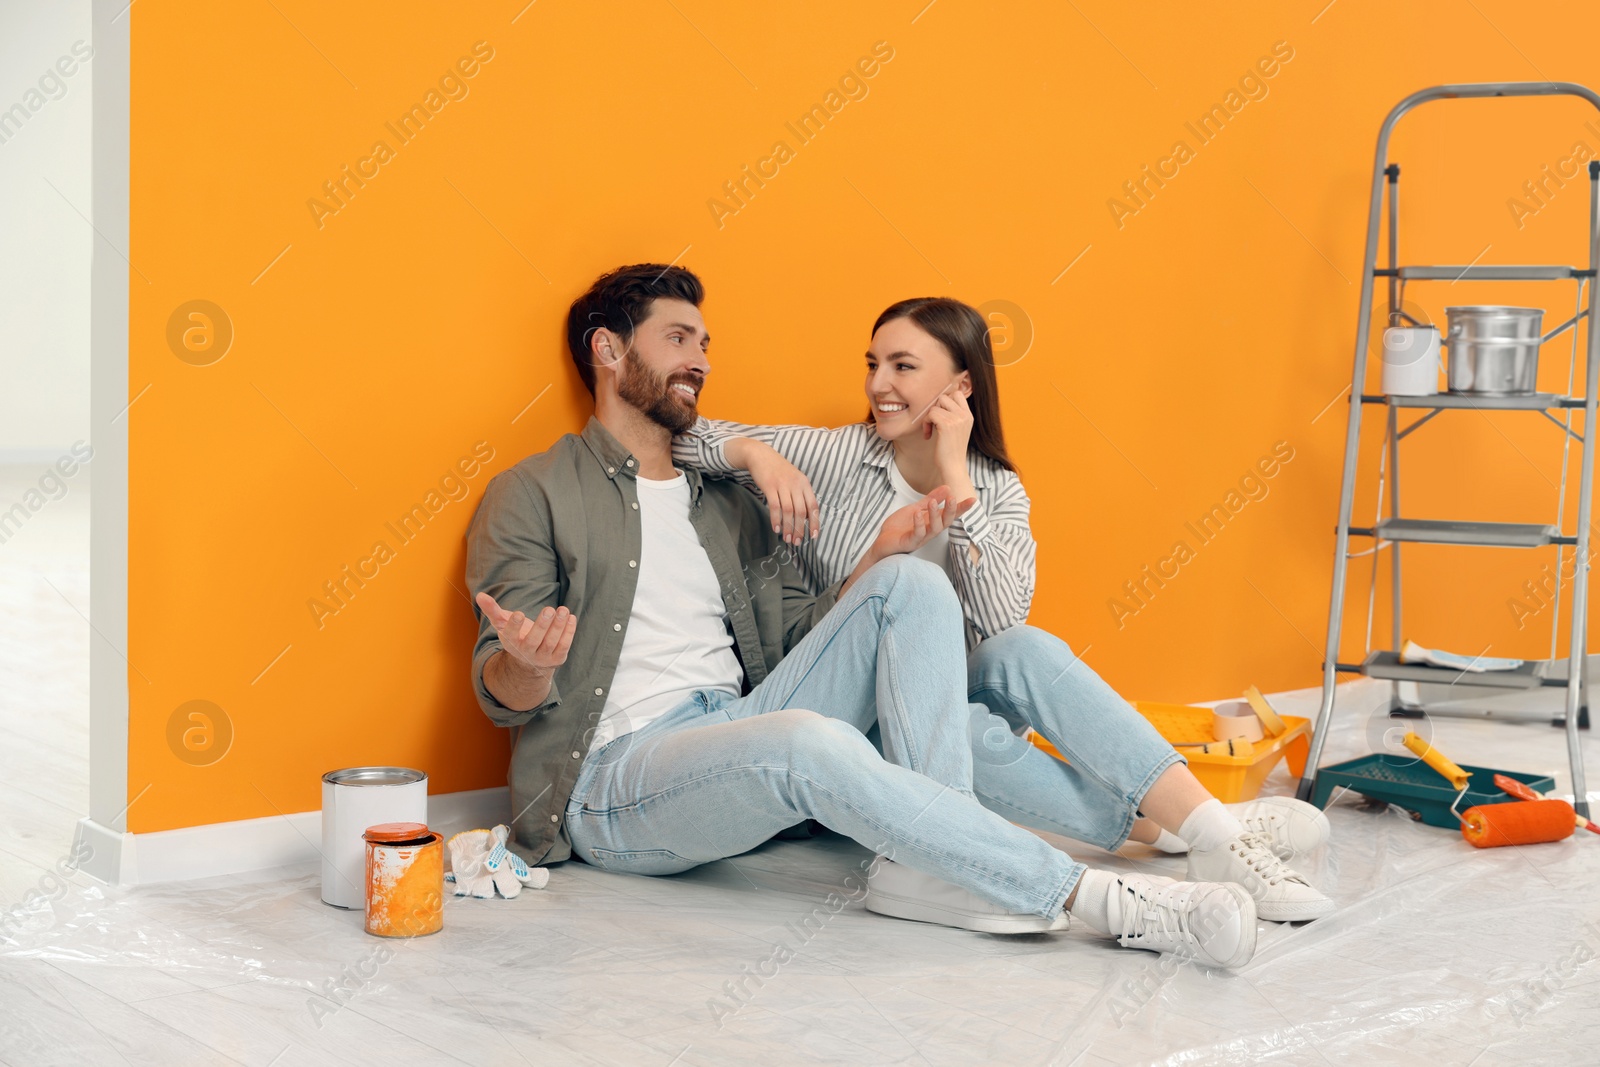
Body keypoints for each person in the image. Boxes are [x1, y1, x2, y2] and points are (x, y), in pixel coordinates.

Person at [465, 264, 1265, 970]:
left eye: (705, 342)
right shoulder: (532, 492)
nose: (701, 360)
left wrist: (878, 559)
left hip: (737, 721)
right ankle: (1105, 900)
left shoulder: (725, 508)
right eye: (679, 338)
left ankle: (945, 862)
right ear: (609, 350)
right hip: (618, 781)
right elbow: (501, 689)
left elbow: (803, 642)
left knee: (917, 588)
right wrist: (530, 664)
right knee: (811, 740)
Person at [671, 296, 1334, 920]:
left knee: (1024, 651)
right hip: (859, 724)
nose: (879, 384)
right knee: (962, 730)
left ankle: (1204, 831)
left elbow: (1000, 618)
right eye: (873, 364)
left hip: (951, 716)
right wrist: (756, 453)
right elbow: (681, 438)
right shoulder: (840, 454)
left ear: (960, 387)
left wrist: (958, 480)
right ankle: (1186, 823)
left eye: (903, 366)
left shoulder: (994, 485)